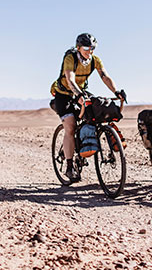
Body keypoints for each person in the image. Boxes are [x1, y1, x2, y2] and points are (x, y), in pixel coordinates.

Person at [50, 33, 125, 182]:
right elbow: (70, 79)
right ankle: (70, 167)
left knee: (94, 115)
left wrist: (116, 92)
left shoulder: (94, 60)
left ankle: (85, 144)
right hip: (64, 94)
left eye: (92, 48)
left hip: (81, 92)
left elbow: (105, 76)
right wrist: (78, 95)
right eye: (86, 48)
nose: (89, 51)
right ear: (78, 48)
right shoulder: (71, 58)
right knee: (70, 127)